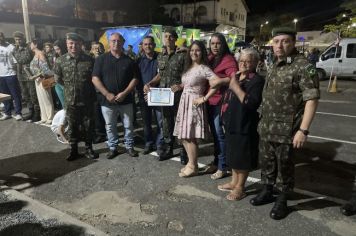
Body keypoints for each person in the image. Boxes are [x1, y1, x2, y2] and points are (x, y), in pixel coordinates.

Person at [249, 27, 319, 220]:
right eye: (276, 41)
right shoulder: (275, 63)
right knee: (267, 162)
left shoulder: (303, 66)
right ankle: (267, 189)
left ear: (293, 43)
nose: (279, 45)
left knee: (285, 167)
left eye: (285, 41)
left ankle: (282, 199)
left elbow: (311, 100)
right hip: (267, 126)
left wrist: (303, 130)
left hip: (287, 130)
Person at [213, 48, 265, 200]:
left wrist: (235, 87)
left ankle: (240, 188)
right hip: (231, 122)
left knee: (242, 157)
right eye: (241, 60)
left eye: (248, 61)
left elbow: (251, 103)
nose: (243, 64)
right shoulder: (237, 76)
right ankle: (234, 181)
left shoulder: (256, 80)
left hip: (245, 124)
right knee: (233, 154)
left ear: (255, 63)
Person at [173, 40, 219, 177]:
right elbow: (187, 83)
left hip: (194, 103)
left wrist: (204, 98)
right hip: (184, 102)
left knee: (190, 136)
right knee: (184, 135)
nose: (194, 53)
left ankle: (193, 165)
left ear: (202, 52)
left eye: (197, 50)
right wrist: (179, 86)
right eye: (192, 50)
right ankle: (191, 164)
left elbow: (216, 83)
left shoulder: (204, 68)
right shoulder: (189, 67)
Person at [143, 28, 188, 163]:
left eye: (170, 37)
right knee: (167, 122)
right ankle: (168, 148)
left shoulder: (183, 55)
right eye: (166, 36)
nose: (168, 39)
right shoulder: (161, 56)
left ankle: (183, 151)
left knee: (179, 122)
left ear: (175, 39)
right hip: (164, 95)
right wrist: (150, 83)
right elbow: (160, 75)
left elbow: (189, 74)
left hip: (179, 95)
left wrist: (181, 85)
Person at [92, 32, 139, 159]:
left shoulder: (129, 60)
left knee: (128, 125)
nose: (116, 43)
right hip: (107, 101)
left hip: (126, 100)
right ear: (109, 42)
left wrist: (124, 93)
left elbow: (135, 79)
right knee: (110, 126)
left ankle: (129, 146)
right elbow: (95, 78)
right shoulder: (101, 60)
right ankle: (113, 147)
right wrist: (106, 94)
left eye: (118, 41)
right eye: (113, 41)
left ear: (123, 42)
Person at [54, 32, 98, 161]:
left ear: (81, 45)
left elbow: (94, 79)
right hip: (70, 101)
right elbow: (58, 79)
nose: (73, 46)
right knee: (72, 126)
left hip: (87, 100)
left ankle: (89, 148)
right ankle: (73, 150)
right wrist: (70, 90)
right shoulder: (60, 60)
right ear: (67, 44)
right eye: (71, 43)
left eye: (76, 43)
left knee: (88, 125)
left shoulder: (89, 59)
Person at [204, 32, 238, 180]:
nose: (215, 46)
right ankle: (217, 160)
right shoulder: (210, 58)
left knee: (220, 135)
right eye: (212, 43)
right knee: (215, 135)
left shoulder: (228, 59)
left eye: (218, 43)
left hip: (221, 102)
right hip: (209, 102)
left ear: (223, 44)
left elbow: (234, 77)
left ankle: (223, 166)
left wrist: (221, 81)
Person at [137, 36, 164, 154]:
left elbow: (162, 74)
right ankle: (148, 143)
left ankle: (159, 143)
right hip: (144, 95)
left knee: (160, 121)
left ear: (154, 45)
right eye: (145, 44)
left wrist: (150, 84)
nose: (148, 46)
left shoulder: (161, 58)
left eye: (150, 44)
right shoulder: (138, 61)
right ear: (142, 46)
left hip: (158, 94)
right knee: (146, 122)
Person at [12, 31, 40, 122]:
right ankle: (31, 111)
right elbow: (15, 61)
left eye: (19, 39)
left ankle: (37, 113)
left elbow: (28, 59)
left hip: (29, 74)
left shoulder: (28, 48)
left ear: (23, 39)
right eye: (16, 40)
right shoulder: (14, 50)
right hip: (20, 75)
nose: (18, 41)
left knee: (33, 94)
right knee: (25, 95)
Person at [29, 39, 55, 124]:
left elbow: (46, 69)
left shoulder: (41, 54)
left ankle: (50, 117)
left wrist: (35, 76)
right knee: (41, 99)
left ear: (36, 45)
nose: (30, 45)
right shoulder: (35, 54)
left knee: (47, 98)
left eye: (31, 44)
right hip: (37, 80)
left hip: (43, 79)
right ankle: (44, 117)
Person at [0, 32, 22, 121]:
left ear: (3, 37)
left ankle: (18, 113)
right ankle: (7, 112)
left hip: (11, 74)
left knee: (15, 94)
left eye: (0, 36)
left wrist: (16, 71)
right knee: (5, 95)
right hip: (1, 75)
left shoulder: (11, 47)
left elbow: (16, 61)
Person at [53, 40, 65, 108]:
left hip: (65, 84)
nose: (57, 51)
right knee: (64, 105)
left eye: (58, 49)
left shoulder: (68, 57)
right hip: (58, 83)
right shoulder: (56, 57)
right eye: (55, 50)